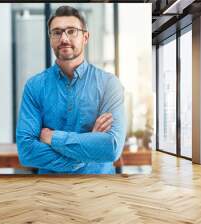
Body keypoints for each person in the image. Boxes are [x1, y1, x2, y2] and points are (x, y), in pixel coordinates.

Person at [16, 5, 126, 174]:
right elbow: (26, 151)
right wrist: (87, 150)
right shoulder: (34, 86)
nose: (64, 38)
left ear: (85, 37)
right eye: (57, 32)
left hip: (98, 191)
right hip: (49, 192)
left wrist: (52, 137)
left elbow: (111, 148)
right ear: (50, 38)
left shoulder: (109, 84)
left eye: (72, 31)